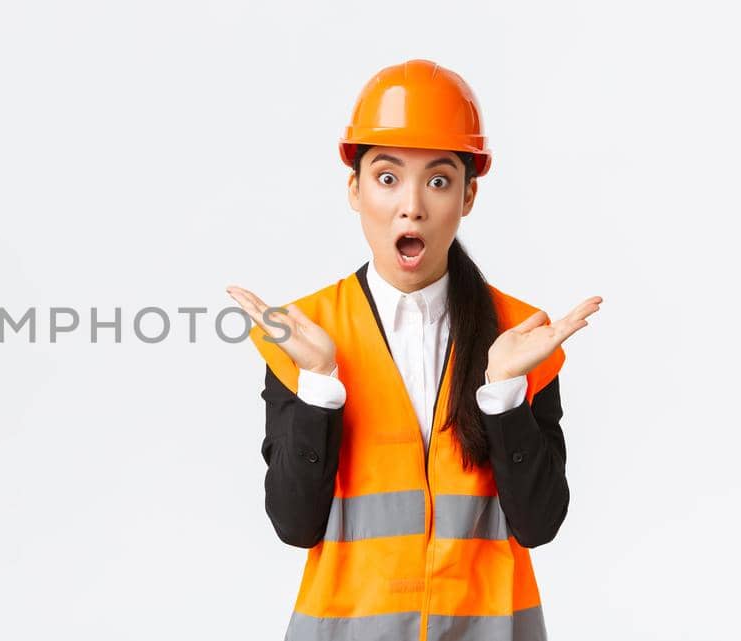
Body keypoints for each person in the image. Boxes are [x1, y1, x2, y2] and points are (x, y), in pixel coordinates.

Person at [224, 59, 603, 641]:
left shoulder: (521, 336)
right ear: (354, 190)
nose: (412, 206)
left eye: (439, 180)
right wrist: (320, 381)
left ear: (468, 196)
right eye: (386, 177)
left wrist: (504, 393)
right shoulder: (306, 334)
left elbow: (539, 523)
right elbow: (296, 525)